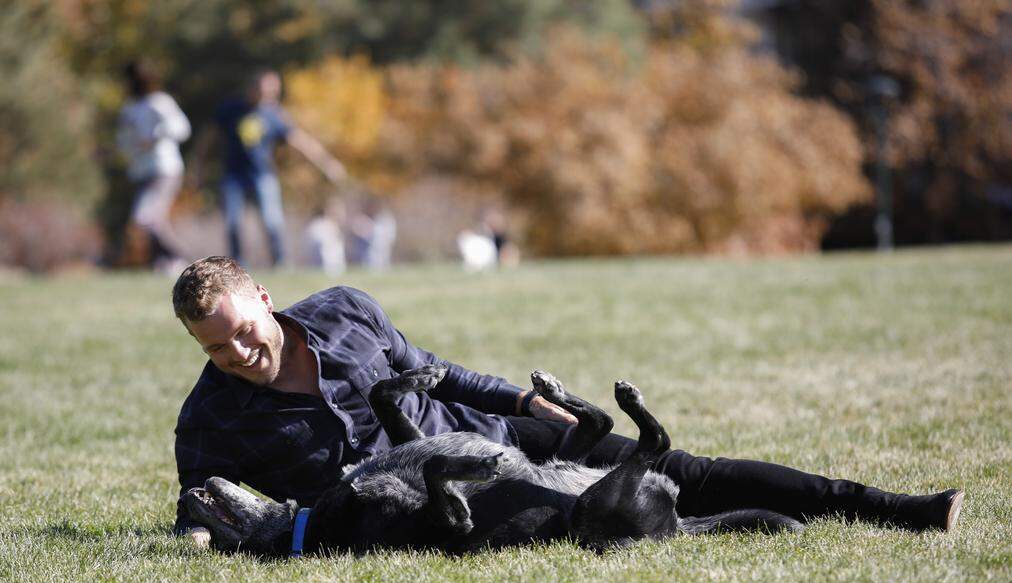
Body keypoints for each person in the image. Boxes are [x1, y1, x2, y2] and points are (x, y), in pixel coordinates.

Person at [170, 257, 964, 548]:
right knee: (651, 507)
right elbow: (200, 504)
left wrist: (520, 397)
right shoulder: (209, 420)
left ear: (264, 299)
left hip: (493, 436)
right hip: (452, 509)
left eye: (242, 330)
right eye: (216, 347)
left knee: (691, 471)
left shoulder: (345, 309)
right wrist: (203, 535)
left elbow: (437, 374)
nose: (237, 353)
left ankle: (895, 508)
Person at [192, 69, 347, 268]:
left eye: (272, 91)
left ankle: (279, 262)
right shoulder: (231, 109)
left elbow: (299, 141)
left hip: (262, 174)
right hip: (234, 175)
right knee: (233, 222)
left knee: (272, 221)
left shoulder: (274, 114)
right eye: (263, 89)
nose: (266, 94)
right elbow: (208, 139)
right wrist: (197, 166)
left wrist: (327, 163)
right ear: (252, 87)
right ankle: (236, 267)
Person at [116, 60, 191, 274]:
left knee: (144, 217)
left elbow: (181, 127)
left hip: (163, 170)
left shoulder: (160, 102)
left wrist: (154, 137)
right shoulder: (129, 108)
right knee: (154, 220)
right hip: (141, 172)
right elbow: (124, 139)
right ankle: (167, 262)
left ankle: (178, 257)